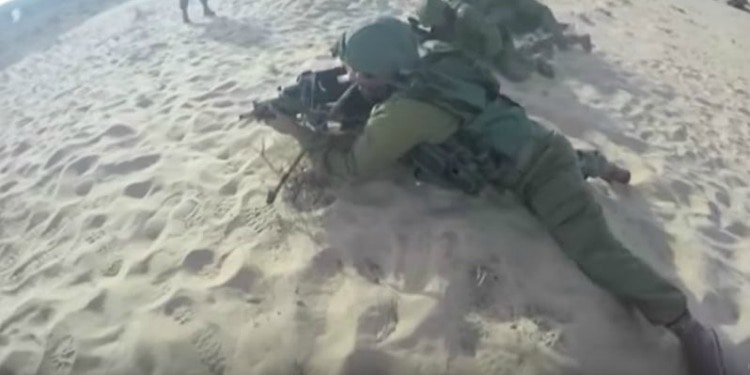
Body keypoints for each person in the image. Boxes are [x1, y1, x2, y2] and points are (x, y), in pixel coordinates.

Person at [260, 17, 726, 375]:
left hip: (539, 172)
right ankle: (600, 164)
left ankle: (684, 323)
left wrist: (296, 131)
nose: (351, 77)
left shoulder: (406, 112)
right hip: (523, 139)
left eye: (359, 72)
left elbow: (351, 167)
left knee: (593, 249)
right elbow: (380, 103)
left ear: (385, 72)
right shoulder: (432, 63)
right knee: (552, 159)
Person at [413, 0, 591, 81]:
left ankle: (539, 59)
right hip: (486, 32)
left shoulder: (465, 14)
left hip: (498, 39)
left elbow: (493, 37)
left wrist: (492, 56)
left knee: (516, 73)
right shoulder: (450, 15)